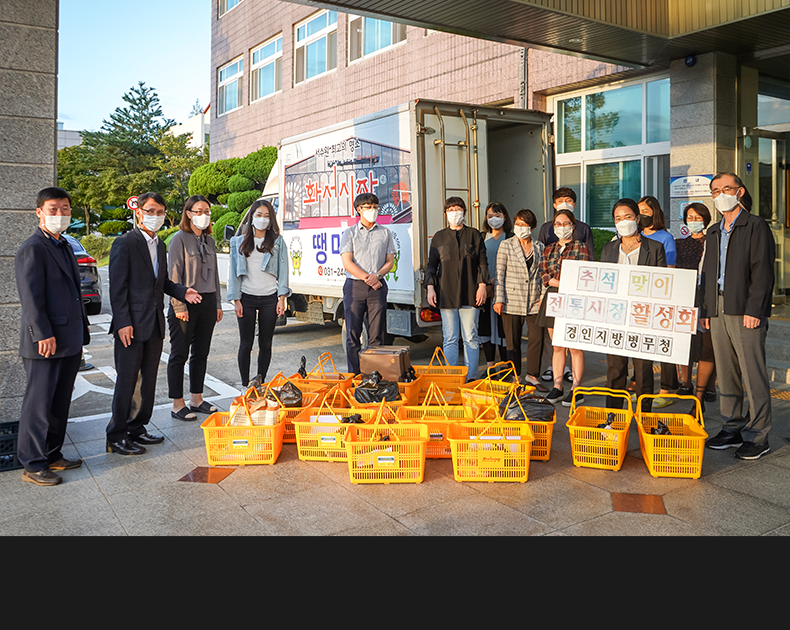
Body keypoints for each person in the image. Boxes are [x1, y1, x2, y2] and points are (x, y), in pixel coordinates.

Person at [107, 192, 202, 456]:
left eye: (160, 212)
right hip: (130, 326)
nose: (155, 217)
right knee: (127, 381)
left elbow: (162, 283)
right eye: (150, 211)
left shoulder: (160, 245)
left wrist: (183, 292)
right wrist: (123, 322)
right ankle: (116, 435)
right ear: (139, 212)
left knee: (147, 381)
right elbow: (117, 288)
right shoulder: (124, 244)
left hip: (154, 324)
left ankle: (136, 427)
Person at [14, 187, 90, 485]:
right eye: (53, 209)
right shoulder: (33, 247)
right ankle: (33, 464)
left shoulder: (65, 245)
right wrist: (42, 333)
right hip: (45, 341)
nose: (60, 214)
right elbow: (30, 297)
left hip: (69, 338)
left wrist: (81, 330)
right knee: (39, 403)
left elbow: (74, 294)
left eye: (65, 208)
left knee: (60, 401)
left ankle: (53, 454)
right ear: (39, 212)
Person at [701, 172, 775, 460]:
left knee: (752, 372)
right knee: (727, 372)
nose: (721, 194)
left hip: (745, 309)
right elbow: (707, 274)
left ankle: (758, 434)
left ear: (740, 191)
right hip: (718, 308)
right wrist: (706, 309)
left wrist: (754, 310)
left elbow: (763, 272)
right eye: (716, 190)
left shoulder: (755, 225)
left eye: (727, 189)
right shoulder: (714, 230)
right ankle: (731, 426)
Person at [601, 198, 666, 414]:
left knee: (643, 369)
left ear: (637, 218)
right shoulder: (609, 249)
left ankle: (644, 415)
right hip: (616, 316)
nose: (623, 221)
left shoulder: (655, 248)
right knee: (615, 369)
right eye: (618, 218)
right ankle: (614, 416)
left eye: (627, 217)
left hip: (643, 317)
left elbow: (662, 284)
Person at [166, 195, 223, 421]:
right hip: (186, 302)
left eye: (207, 211)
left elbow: (216, 274)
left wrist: (218, 303)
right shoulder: (178, 239)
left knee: (201, 353)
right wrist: (179, 305)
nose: (204, 215)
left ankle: (196, 399)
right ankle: (177, 404)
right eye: (198, 211)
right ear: (188, 213)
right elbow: (173, 275)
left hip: (208, 302)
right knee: (179, 354)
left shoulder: (209, 241)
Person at [426, 197, 490, 381]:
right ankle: (451, 376)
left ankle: (471, 377)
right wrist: (430, 287)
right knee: (450, 337)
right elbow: (432, 264)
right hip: (446, 293)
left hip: (470, 292)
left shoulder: (474, 234)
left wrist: (482, 285)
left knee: (471, 336)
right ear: (445, 213)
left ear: (464, 211)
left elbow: (482, 263)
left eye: (458, 209)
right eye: (450, 209)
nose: (455, 212)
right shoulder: (439, 236)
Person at [227, 198, 290, 385]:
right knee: (245, 344)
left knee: (266, 344)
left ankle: (260, 382)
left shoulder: (278, 242)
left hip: (270, 298)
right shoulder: (237, 242)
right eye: (259, 215)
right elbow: (233, 274)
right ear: (251, 217)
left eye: (267, 216)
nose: (262, 219)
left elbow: (284, 271)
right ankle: (245, 385)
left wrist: (282, 298)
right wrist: (235, 299)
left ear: (271, 220)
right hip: (246, 297)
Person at [537, 187, 593, 384]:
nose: (562, 226)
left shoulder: (581, 247)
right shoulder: (549, 249)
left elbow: (583, 273)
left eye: (566, 223)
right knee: (557, 345)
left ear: (573, 225)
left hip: (574, 299)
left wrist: (556, 281)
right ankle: (558, 385)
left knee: (574, 346)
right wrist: (556, 282)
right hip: (552, 298)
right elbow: (543, 274)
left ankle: (576, 387)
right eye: (558, 224)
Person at [339, 193, 396, 375]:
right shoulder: (350, 233)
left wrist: (377, 275)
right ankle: (354, 375)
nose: (372, 210)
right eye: (368, 207)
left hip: (377, 287)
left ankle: (374, 376)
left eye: (375, 206)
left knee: (377, 335)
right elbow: (347, 262)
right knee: (353, 335)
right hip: (355, 287)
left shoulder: (385, 232)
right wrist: (367, 278)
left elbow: (390, 261)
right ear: (359, 210)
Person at [493, 208, 548, 390]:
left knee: (536, 338)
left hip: (534, 300)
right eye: (517, 224)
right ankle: (514, 376)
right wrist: (498, 299)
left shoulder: (540, 247)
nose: (520, 227)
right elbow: (499, 274)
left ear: (532, 227)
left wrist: (542, 298)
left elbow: (543, 275)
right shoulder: (506, 245)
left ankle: (532, 376)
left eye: (524, 224)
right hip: (511, 299)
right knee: (512, 341)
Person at [674, 202, 717, 408]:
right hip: (685, 297)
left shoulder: (713, 241)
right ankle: (685, 382)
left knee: (708, 344)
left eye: (697, 218)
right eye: (690, 218)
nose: (693, 221)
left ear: (706, 220)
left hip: (707, 297)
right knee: (686, 343)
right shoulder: (679, 244)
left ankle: (709, 385)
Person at [637, 195, 678, 407]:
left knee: (662, 345)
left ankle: (667, 389)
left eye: (645, 211)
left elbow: (669, 271)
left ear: (655, 212)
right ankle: (641, 386)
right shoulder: (635, 236)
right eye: (639, 211)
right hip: (638, 300)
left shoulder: (665, 238)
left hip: (659, 298)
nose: (641, 215)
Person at [478, 202, 512, 371]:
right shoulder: (481, 237)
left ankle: (505, 367)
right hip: (485, 290)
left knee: (503, 330)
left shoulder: (511, 238)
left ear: (505, 217)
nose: (494, 219)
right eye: (490, 216)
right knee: (486, 329)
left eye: (497, 216)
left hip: (503, 291)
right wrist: (485, 284)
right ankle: (490, 367)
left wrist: (495, 283)